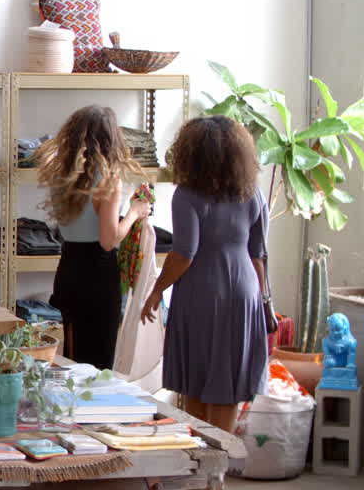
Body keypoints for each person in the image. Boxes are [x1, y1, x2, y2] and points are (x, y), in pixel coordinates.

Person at [141, 115, 268, 435]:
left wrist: (157, 290)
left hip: (201, 291)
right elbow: (258, 255)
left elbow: (184, 253)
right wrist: (263, 301)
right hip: (244, 291)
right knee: (230, 384)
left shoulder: (187, 195)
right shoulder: (252, 193)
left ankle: (199, 464)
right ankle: (218, 477)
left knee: (194, 380)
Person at [35, 106, 150, 369]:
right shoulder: (108, 179)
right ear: (111, 138)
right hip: (98, 276)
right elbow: (109, 241)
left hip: (68, 272)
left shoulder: (61, 175)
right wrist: (134, 212)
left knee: (73, 360)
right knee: (97, 366)